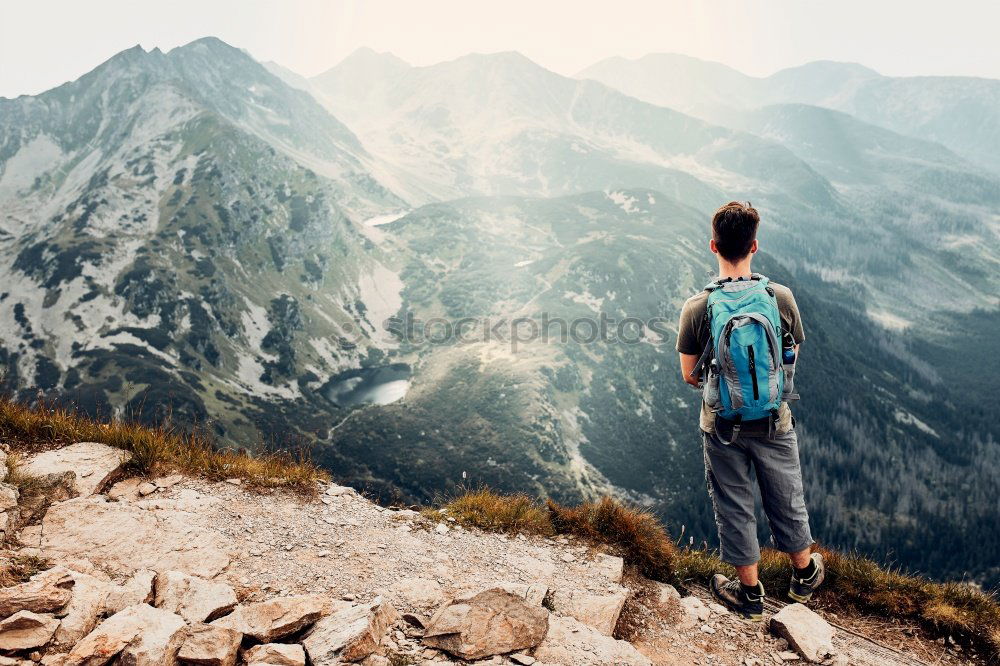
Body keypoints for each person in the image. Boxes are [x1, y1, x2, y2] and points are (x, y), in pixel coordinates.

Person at [676, 201, 824, 620]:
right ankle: (804, 576)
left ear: (713, 246)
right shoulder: (779, 297)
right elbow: (791, 352)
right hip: (775, 421)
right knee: (786, 497)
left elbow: (689, 374)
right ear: (754, 246)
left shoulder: (698, 308)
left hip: (723, 427)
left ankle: (751, 596)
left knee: (734, 505)